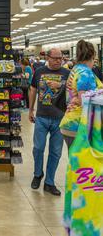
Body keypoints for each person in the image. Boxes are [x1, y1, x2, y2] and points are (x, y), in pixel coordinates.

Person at [29, 48, 70, 196]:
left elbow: (74, 92)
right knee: (38, 148)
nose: (59, 60)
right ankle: (38, 173)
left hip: (60, 118)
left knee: (56, 152)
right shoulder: (39, 71)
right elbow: (33, 90)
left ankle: (49, 182)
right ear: (48, 58)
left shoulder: (67, 74)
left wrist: (61, 86)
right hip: (42, 116)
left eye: (61, 58)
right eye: (56, 58)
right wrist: (30, 109)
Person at [60, 40, 103, 149]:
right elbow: (86, 102)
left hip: (71, 122)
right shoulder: (86, 73)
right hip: (80, 126)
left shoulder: (76, 69)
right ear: (93, 55)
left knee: (77, 165)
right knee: (84, 165)